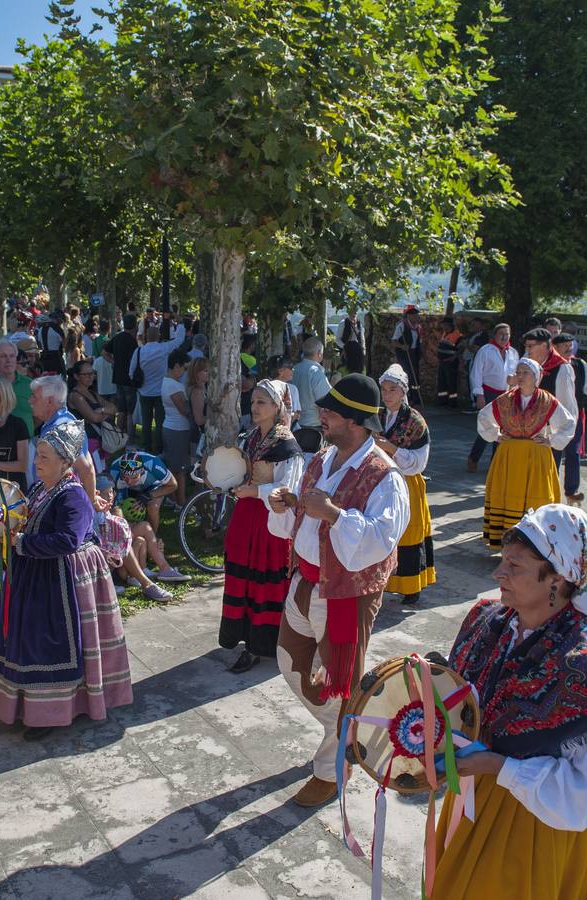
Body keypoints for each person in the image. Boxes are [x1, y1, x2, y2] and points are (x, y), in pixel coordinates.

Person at [428, 504, 587, 900]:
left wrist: (498, 766)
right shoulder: (492, 623)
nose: (498, 574)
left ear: (557, 580)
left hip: (542, 831)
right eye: (502, 561)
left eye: (515, 566)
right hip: (482, 800)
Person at [265, 373, 409, 807]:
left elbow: (379, 543)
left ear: (358, 423)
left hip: (346, 594)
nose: (322, 415)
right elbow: (301, 522)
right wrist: (287, 505)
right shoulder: (321, 459)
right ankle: (344, 728)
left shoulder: (386, 477)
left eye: (332, 412)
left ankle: (333, 768)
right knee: (291, 662)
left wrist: (333, 514)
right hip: (305, 581)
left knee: (337, 682)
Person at [0, 421, 133, 739]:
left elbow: (68, 541)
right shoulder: (40, 488)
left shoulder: (74, 496)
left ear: (65, 462)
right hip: (36, 577)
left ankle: (52, 712)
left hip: (63, 582)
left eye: (43, 457)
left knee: (50, 644)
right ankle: (28, 704)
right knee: (29, 640)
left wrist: (22, 543)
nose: (36, 463)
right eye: (37, 456)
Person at [220, 379, 304, 673]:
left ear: (277, 406)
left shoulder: (287, 445)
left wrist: (255, 492)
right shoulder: (251, 438)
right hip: (246, 517)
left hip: (271, 522)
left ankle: (261, 645)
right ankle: (245, 638)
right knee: (243, 578)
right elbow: (242, 472)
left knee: (263, 582)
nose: (254, 407)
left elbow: (288, 489)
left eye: (261, 402)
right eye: (253, 401)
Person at [476, 358, 576, 549]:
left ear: (536, 377)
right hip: (510, 455)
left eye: (525, 373)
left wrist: (551, 441)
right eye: (519, 372)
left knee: (535, 496)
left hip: (536, 456)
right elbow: (483, 417)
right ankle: (509, 540)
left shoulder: (547, 401)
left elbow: (568, 423)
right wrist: (495, 436)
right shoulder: (506, 399)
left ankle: (536, 542)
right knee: (508, 495)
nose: (520, 376)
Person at [375, 364, 435, 603]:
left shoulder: (415, 421)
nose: (387, 395)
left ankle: (411, 586)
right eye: (384, 389)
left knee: (408, 534)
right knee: (382, 532)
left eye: (392, 390)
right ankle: (382, 581)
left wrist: (391, 448)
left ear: (403, 392)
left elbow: (419, 463)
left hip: (407, 482)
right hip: (379, 481)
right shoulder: (377, 415)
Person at [552, 333, 587, 503]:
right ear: (555, 347)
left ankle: (571, 490)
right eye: (565, 346)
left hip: (575, 417)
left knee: (573, 453)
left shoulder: (580, 364)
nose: (569, 348)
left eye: (571, 345)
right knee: (553, 453)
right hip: (554, 417)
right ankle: (549, 488)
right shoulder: (550, 367)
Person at [129, 324, 188, 454]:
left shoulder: (138, 351)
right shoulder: (164, 348)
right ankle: (159, 448)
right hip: (160, 392)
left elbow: (131, 372)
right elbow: (179, 340)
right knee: (161, 422)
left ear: (145, 336)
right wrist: (181, 325)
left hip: (144, 392)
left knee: (146, 422)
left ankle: (146, 447)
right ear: (159, 336)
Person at [467, 323, 517, 472]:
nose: (504, 337)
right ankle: (474, 458)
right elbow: (476, 373)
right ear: (494, 335)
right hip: (488, 393)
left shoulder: (513, 353)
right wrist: (479, 395)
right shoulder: (485, 351)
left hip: (507, 394)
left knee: (503, 429)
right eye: (501, 334)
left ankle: (495, 462)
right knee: (488, 427)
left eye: (507, 334)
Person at [106, 448, 178, 537]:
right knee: (121, 510)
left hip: (153, 486)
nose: (129, 481)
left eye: (134, 477)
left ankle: (153, 538)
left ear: (142, 470)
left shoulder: (153, 464)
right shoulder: (114, 471)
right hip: (126, 489)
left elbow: (173, 485)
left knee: (153, 507)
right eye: (125, 477)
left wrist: (149, 495)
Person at [68, 357, 118, 465]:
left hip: (99, 439)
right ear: (76, 376)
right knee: (94, 474)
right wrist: (105, 413)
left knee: (102, 472)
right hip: (87, 441)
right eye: (86, 374)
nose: (91, 377)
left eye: (92, 373)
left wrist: (102, 410)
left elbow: (114, 408)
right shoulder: (75, 396)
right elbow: (93, 417)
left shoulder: (92, 393)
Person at [160, 348, 193, 506]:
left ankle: (172, 499)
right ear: (177, 366)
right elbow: (184, 411)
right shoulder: (175, 386)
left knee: (173, 467)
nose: (185, 372)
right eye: (185, 368)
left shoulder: (167, 381)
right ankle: (182, 503)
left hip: (170, 427)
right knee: (180, 470)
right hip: (177, 430)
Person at [291, 337, 331, 454]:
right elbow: (324, 403)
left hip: (294, 427)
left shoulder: (294, 369)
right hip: (313, 431)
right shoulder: (315, 372)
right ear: (319, 354)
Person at [109, 313, 140, 435]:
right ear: (135, 326)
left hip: (118, 377)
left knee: (121, 409)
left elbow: (104, 352)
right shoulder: (132, 341)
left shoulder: (117, 337)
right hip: (129, 378)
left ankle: (118, 434)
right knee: (130, 410)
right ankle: (129, 437)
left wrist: (115, 362)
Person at [389, 305, 423, 406]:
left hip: (414, 354)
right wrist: (402, 346)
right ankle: (406, 397)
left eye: (416, 314)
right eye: (413, 314)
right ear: (408, 316)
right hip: (404, 354)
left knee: (415, 376)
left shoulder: (417, 327)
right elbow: (393, 341)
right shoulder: (401, 326)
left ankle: (415, 397)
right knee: (406, 375)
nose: (415, 316)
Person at [435, 316, 463, 406]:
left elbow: (461, 348)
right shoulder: (445, 333)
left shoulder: (457, 335)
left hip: (451, 362)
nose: (443, 327)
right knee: (442, 382)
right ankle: (442, 401)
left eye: (444, 325)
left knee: (451, 383)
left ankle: (452, 402)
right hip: (442, 362)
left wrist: (454, 357)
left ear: (449, 325)